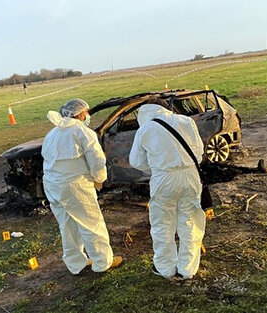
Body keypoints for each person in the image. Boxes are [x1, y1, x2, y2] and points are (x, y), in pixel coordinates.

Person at [41, 98, 122, 275]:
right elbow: (97, 159)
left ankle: (75, 264)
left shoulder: (52, 134)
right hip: (74, 185)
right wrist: (99, 178)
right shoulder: (82, 132)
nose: (88, 116)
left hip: (52, 185)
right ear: (79, 114)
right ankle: (102, 263)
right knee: (91, 223)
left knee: (67, 225)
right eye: (87, 113)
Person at [129, 100, 206, 280]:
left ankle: (165, 268)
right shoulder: (186, 121)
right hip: (191, 176)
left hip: (164, 178)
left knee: (162, 224)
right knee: (190, 220)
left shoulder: (145, 130)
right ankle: (187, 269)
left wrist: (156, 167)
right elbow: (199, 152)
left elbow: (136, 162)